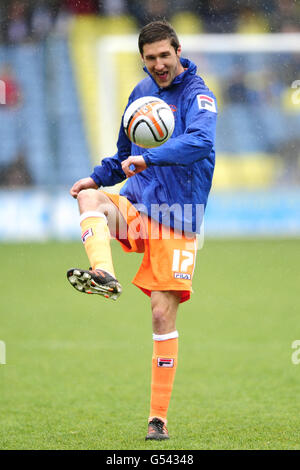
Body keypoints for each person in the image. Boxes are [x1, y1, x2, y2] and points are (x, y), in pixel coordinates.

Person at [67, 20, 217, 440]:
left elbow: (200, 143)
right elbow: (122, 155)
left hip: (179, 217)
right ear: (143, 60)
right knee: (89, 201)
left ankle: (157, 420)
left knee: (160, 312)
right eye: (150, 59)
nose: (158, 65)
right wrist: (96, 178)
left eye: (164, 56)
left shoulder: (198, 95)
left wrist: (151, 159)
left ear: (178, 51)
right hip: (137, 205)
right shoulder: (140, 94)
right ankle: (104, 273)